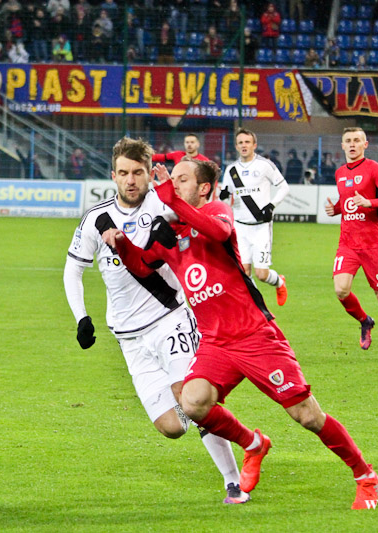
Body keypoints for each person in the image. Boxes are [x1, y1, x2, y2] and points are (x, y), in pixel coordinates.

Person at [103, 157, 378, 510]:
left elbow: (218, 233)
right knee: (193, 402)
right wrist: (122, 244)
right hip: (215, 343)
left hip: (255, 336)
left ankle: (364, 474)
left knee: (307, 416)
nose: (172, 185)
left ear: (204, 188)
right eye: (172, 179)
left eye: (181, 180)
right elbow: (143, 267)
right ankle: (254, 444)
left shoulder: (217, 210)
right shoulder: (170, 232)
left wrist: (172, 201)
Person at [63, 138, 249, 505]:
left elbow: (206, 230)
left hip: (170, 319)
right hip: (129, 338)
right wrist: (81, 317)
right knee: (172, 426)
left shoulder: (166, 205)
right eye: (123, 173)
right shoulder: (96, 219)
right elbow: (73, 270)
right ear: (113, 175)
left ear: (149, 173)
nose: (130, 180)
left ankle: (234, 482)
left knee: (190, 399)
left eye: (138, 172)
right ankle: (207, 415)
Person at [324, 127, 378, 362]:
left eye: (357, 140)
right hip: (347, 243)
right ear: (342, 145)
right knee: (341, 289)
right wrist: (336, 209)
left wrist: (370, 202)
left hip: (373, 244)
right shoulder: (339, 173)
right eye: (348, 140)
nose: (352, 144)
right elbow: (347, 201)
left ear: (365, 144)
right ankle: (365, 321)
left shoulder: (375, 169)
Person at [219, 129, 289, 306]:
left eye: (247, 142)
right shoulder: (231, 170)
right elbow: (225, 196)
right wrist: (224, 196)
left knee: (262, 274)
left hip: (261, 227)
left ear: (254, 145)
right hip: (240, 227)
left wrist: (271, 205)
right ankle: (256, 307)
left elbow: (284, 187)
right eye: (240, 143)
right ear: (236, 146)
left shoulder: (264, 165)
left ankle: (279, 282)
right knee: (244, 272)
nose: (244, 145)